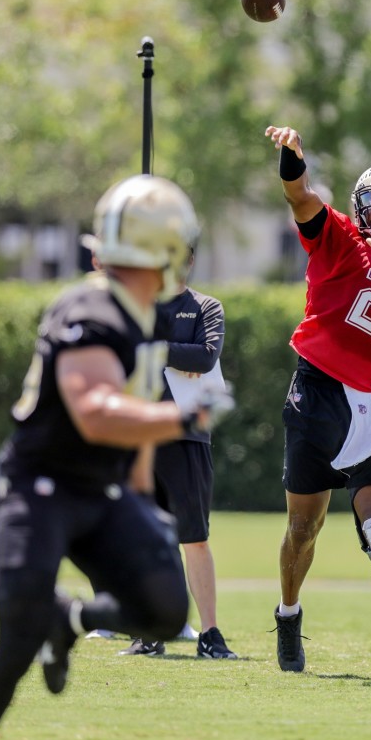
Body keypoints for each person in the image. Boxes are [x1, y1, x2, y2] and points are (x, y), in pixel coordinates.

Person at [0, 174, 227, 740]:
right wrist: (182, 418)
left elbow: (129, 412)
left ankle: (72, 619)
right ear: (169, 251)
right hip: (39, 487)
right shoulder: (89, 308)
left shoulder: (143, 315)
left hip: (101, 489)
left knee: (161, 609)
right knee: (17, 643)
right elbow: (96, 411)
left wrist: (137, 494)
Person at [264, 125, 371, 680]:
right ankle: (288, 613)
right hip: (314, 393)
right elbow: (300, 196)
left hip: (368, 404)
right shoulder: (337, 236)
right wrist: (293, 159)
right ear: (361, 204)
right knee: (303, 529)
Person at [120, 262, 237, 659]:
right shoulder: (138, 306)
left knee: (196, 538)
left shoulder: (206, 307)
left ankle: (210, 634)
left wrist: (155, 351)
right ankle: (149, 632)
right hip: (140, 436)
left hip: (187, 436)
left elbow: (205, 358)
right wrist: (171, 356)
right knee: (142, 538)